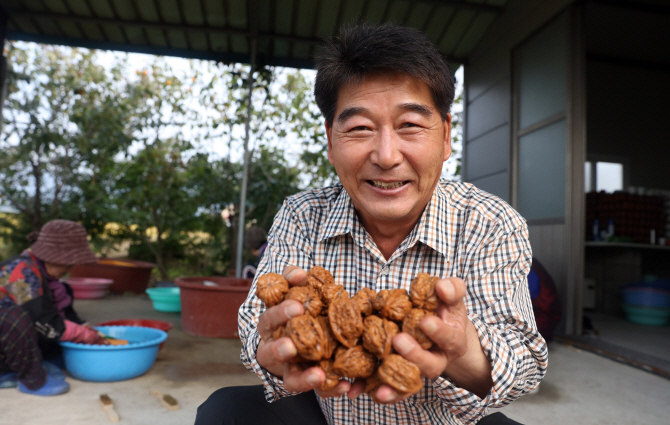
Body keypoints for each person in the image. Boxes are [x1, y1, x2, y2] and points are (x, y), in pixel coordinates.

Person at [196, 22, 547, 425]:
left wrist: (461, 348)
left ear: (446, 135)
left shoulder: (490, 222)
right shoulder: (301, 214)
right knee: (227, 411)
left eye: (410, 125)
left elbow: (523, 361)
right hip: (329, 412)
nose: (385, 155)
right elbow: (257, 326)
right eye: (360, 128)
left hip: (446, 421)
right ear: (331, 140)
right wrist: (276, 353)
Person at [0, 219, 108, 396]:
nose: (70, 268)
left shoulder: (46, 277)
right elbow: (43, 320)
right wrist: (83, 334)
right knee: (15, 318)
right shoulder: (21, 271)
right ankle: (32, 379)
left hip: (9, 348)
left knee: (63, 291)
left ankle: (41, 359)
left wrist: (81, 326)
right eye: (67, 262)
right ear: (50, 257)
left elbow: (60, 314)